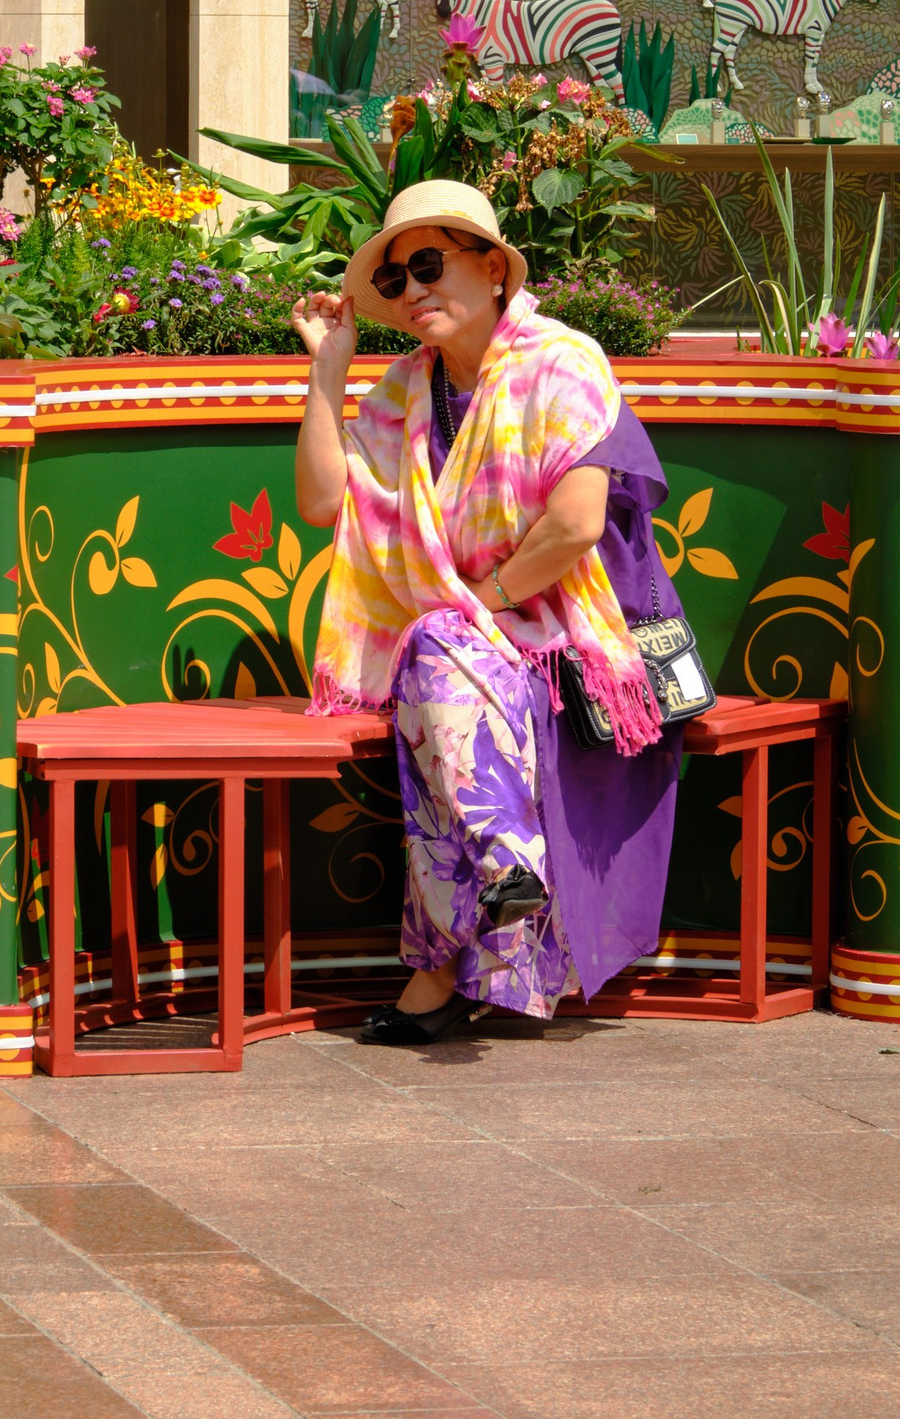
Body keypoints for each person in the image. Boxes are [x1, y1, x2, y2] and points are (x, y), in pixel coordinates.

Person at [293, 180, 683, 1044]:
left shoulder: (563, 361)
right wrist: (329, 370)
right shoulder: (403, 392)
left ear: (494, 268)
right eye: (393, 280)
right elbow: (325, 502)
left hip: (569, 638)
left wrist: (484, 604)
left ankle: (437, 970)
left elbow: (577, 525)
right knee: (437, 667)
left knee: (436, 659)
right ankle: (504, 877)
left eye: (427, 263)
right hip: (463, 649)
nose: (412, 289)